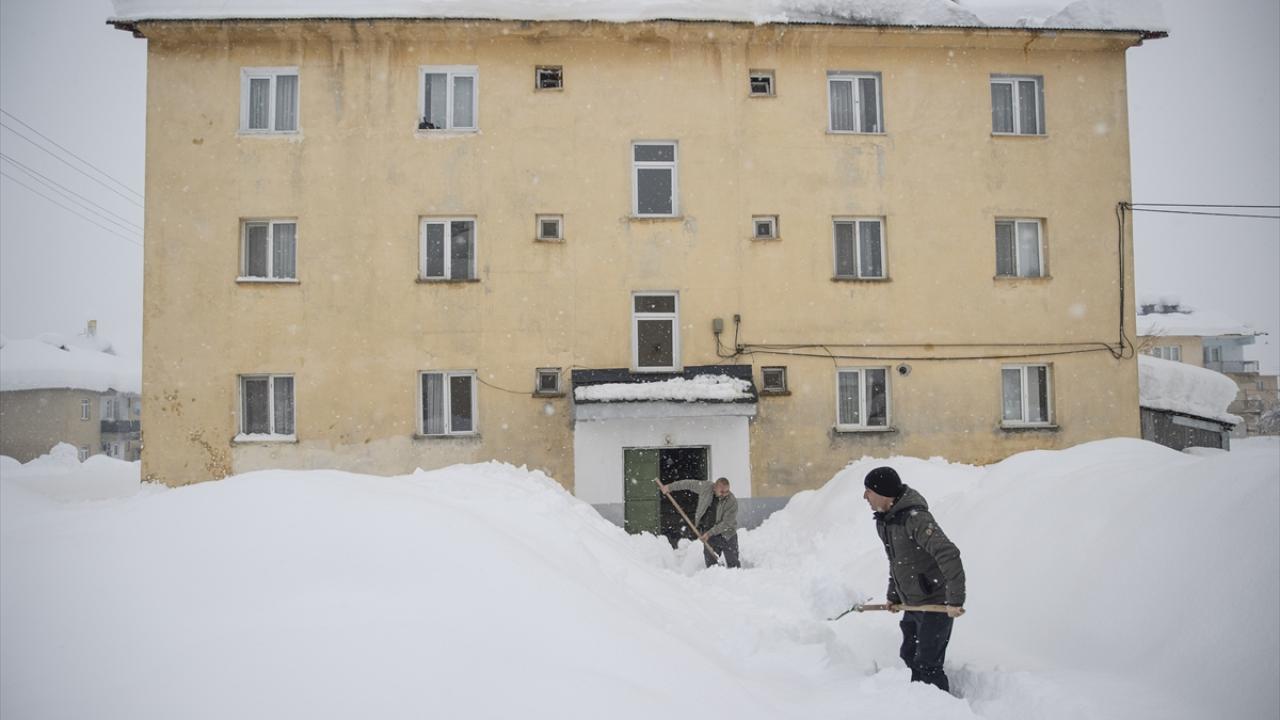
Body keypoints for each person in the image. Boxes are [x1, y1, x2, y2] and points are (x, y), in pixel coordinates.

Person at [863, 466, 965, 693]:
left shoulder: (915, 519)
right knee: (908, 656)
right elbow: (897, 562)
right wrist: (894, 595)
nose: (865, 497)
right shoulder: (886, 521)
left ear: (883, 493)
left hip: (935, 604)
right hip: (913, 603)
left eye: (868, 491)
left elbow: (948, 553)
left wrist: (955, 599)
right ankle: (917, 705)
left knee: (927, 666)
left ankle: (941, 710)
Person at [658, 477, 740, 568]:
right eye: (722, 491)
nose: (725, 494)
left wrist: (709, 533)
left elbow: (726, 523)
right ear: (715, 487)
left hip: (727, 534)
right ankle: (714, 580)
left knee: (734, 564)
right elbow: (688, 484)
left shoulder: (732, 501)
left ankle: (735, 580)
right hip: (710, 534)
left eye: (727, 491)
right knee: (711, 565)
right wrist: (669, 487)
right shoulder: (705, 487)